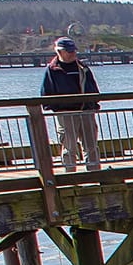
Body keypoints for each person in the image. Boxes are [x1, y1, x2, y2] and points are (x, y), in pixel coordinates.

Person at [39, 36, 100, 170]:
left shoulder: (83, 67)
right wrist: (58, 108)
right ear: (59, 51)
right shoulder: (52, 70)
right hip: (65, 114)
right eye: (69, 51)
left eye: (74, 50)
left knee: (91, 147)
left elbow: (93, 88)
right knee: (69, 147)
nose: (73, 53)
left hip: (86, 111)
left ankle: (95, 175)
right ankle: (70, 176)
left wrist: (93, 104)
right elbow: (46, 93)